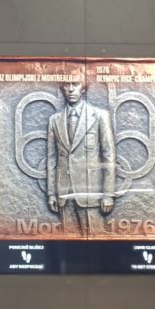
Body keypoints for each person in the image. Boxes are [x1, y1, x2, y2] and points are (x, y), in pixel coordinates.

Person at [46, 80, 116, 235]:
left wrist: (108, 194)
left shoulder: (100, 116)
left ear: (84, 88)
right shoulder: (54, 120)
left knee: (96, 239)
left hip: (90, 193)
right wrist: (51, 193)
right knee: (68, 242)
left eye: (75, 84)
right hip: (64, 194)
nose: (71, 89)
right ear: (62, 88)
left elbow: (109, 156)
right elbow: (51, 160)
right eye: (67, 85)